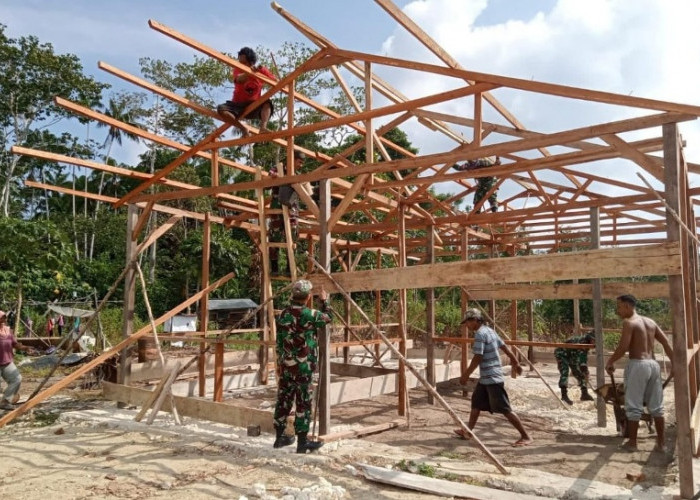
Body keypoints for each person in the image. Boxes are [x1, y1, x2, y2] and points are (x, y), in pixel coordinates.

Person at [455, 308, 532, 447]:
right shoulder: (490, 331)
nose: (466, 325)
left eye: (468, 322)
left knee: (505, 409)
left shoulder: (480, 334)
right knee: (476, 403)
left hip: (492, 378)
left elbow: (478, 357)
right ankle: (468, 431)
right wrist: (516, 363)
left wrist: (465, 375)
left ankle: (526, 436)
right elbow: (505, 348)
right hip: (487, 377)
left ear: (475, 320)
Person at [606, 294, 673, 451]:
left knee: (633, 405)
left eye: (619, 307)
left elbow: (623, 348)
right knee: (656, 406)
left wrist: (610, 361)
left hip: (638, 365)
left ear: (628, 306)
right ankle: (661, 443)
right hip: (653, 365)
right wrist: (674, 364)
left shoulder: (629, 323)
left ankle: (632, 443)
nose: (618, 311)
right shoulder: (651, 322)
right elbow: (666, 342)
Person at [273, 279, 332, 453]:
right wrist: (324, 301)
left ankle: (279, 438)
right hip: (303, 368)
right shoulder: (309, 314)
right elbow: (328, 317)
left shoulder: (283, 315)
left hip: (285, 366)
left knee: (284, 400)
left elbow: (280, 340)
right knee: (303, 404)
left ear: (293, 295)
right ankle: (302, 442)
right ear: (307, 297)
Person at [217, 46, 276, 133]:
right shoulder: (237, 69)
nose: (241, 64)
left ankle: (263, 127)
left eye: (243, 62)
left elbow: (275, 82)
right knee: (221, 109)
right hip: (237, 105)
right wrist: (251, 73)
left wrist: (282, 83)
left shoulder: (261, 70)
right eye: (240, 62)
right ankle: (243, 128)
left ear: (251, 62)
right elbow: (239, 80)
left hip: (253, 106)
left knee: (267, 103)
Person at [268, 152, 304, 277]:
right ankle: (274, 268)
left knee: (293, 235)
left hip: (291, 210)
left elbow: (304, 190)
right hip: (277, 208)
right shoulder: (278, 169)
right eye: (299, 162)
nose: (301, 165)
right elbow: (271, 175)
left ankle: (290, 268)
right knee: (275, 238)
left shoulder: (297, 175)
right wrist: (281, 178)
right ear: (292, 160)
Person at [0, 310, 33, 410]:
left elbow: (14, 344)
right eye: (1, 318)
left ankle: (5, 401)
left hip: (7, 362)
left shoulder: (8, 331)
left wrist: (25, 348)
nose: (3, 320)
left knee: (17, 379)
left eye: (4, 317)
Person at [555, 331, 596, 404]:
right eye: (594, 340)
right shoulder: (583, 342)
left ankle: (584, 393)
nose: (594, 342)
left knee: (579, 373)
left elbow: (583, 357)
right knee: (565, 371)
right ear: (590, 338)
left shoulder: (587, 343)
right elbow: (582, 358)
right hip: (562, 354)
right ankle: (564, 395)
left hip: (572, 355)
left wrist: (584, 370)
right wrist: (584, 368)